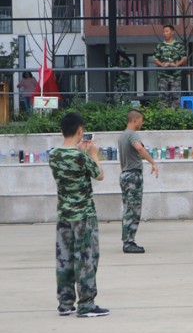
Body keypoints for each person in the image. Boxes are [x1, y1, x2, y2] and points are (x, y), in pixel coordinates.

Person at [48, 112, 108, 317]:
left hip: (64, 213)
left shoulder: (54, 154)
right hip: (83, 214)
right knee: (86, 257)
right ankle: (86, 303)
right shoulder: (81, 156)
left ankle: (65, 303)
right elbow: (99, 175)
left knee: (64, 258)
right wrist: (93, 154)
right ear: (80, 130)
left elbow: (69, 162)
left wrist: (80, 151)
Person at [118, 109, 159, 254]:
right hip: (133, 176)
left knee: (128, 209)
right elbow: (139, 148)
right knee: (133, 210)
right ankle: (129, 242)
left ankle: (126, 240)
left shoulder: (122, 135)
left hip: (124, 175)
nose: (142, 123)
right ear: (135, 120)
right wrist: (152, 162)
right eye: (141, 120)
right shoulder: (132, 135)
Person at [152, 24, 187, 108]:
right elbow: (154, 58)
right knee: (163, 98)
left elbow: (184, 58)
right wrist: (162, 65)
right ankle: (164, 116)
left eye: (167, 31)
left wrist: (176, 65)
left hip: (175, 76)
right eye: (163, 31)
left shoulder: (178, 45)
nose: (165, 33)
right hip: (163, 76)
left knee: (176, 97)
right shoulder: (160, 45)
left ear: (172, 32)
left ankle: (174, 116)